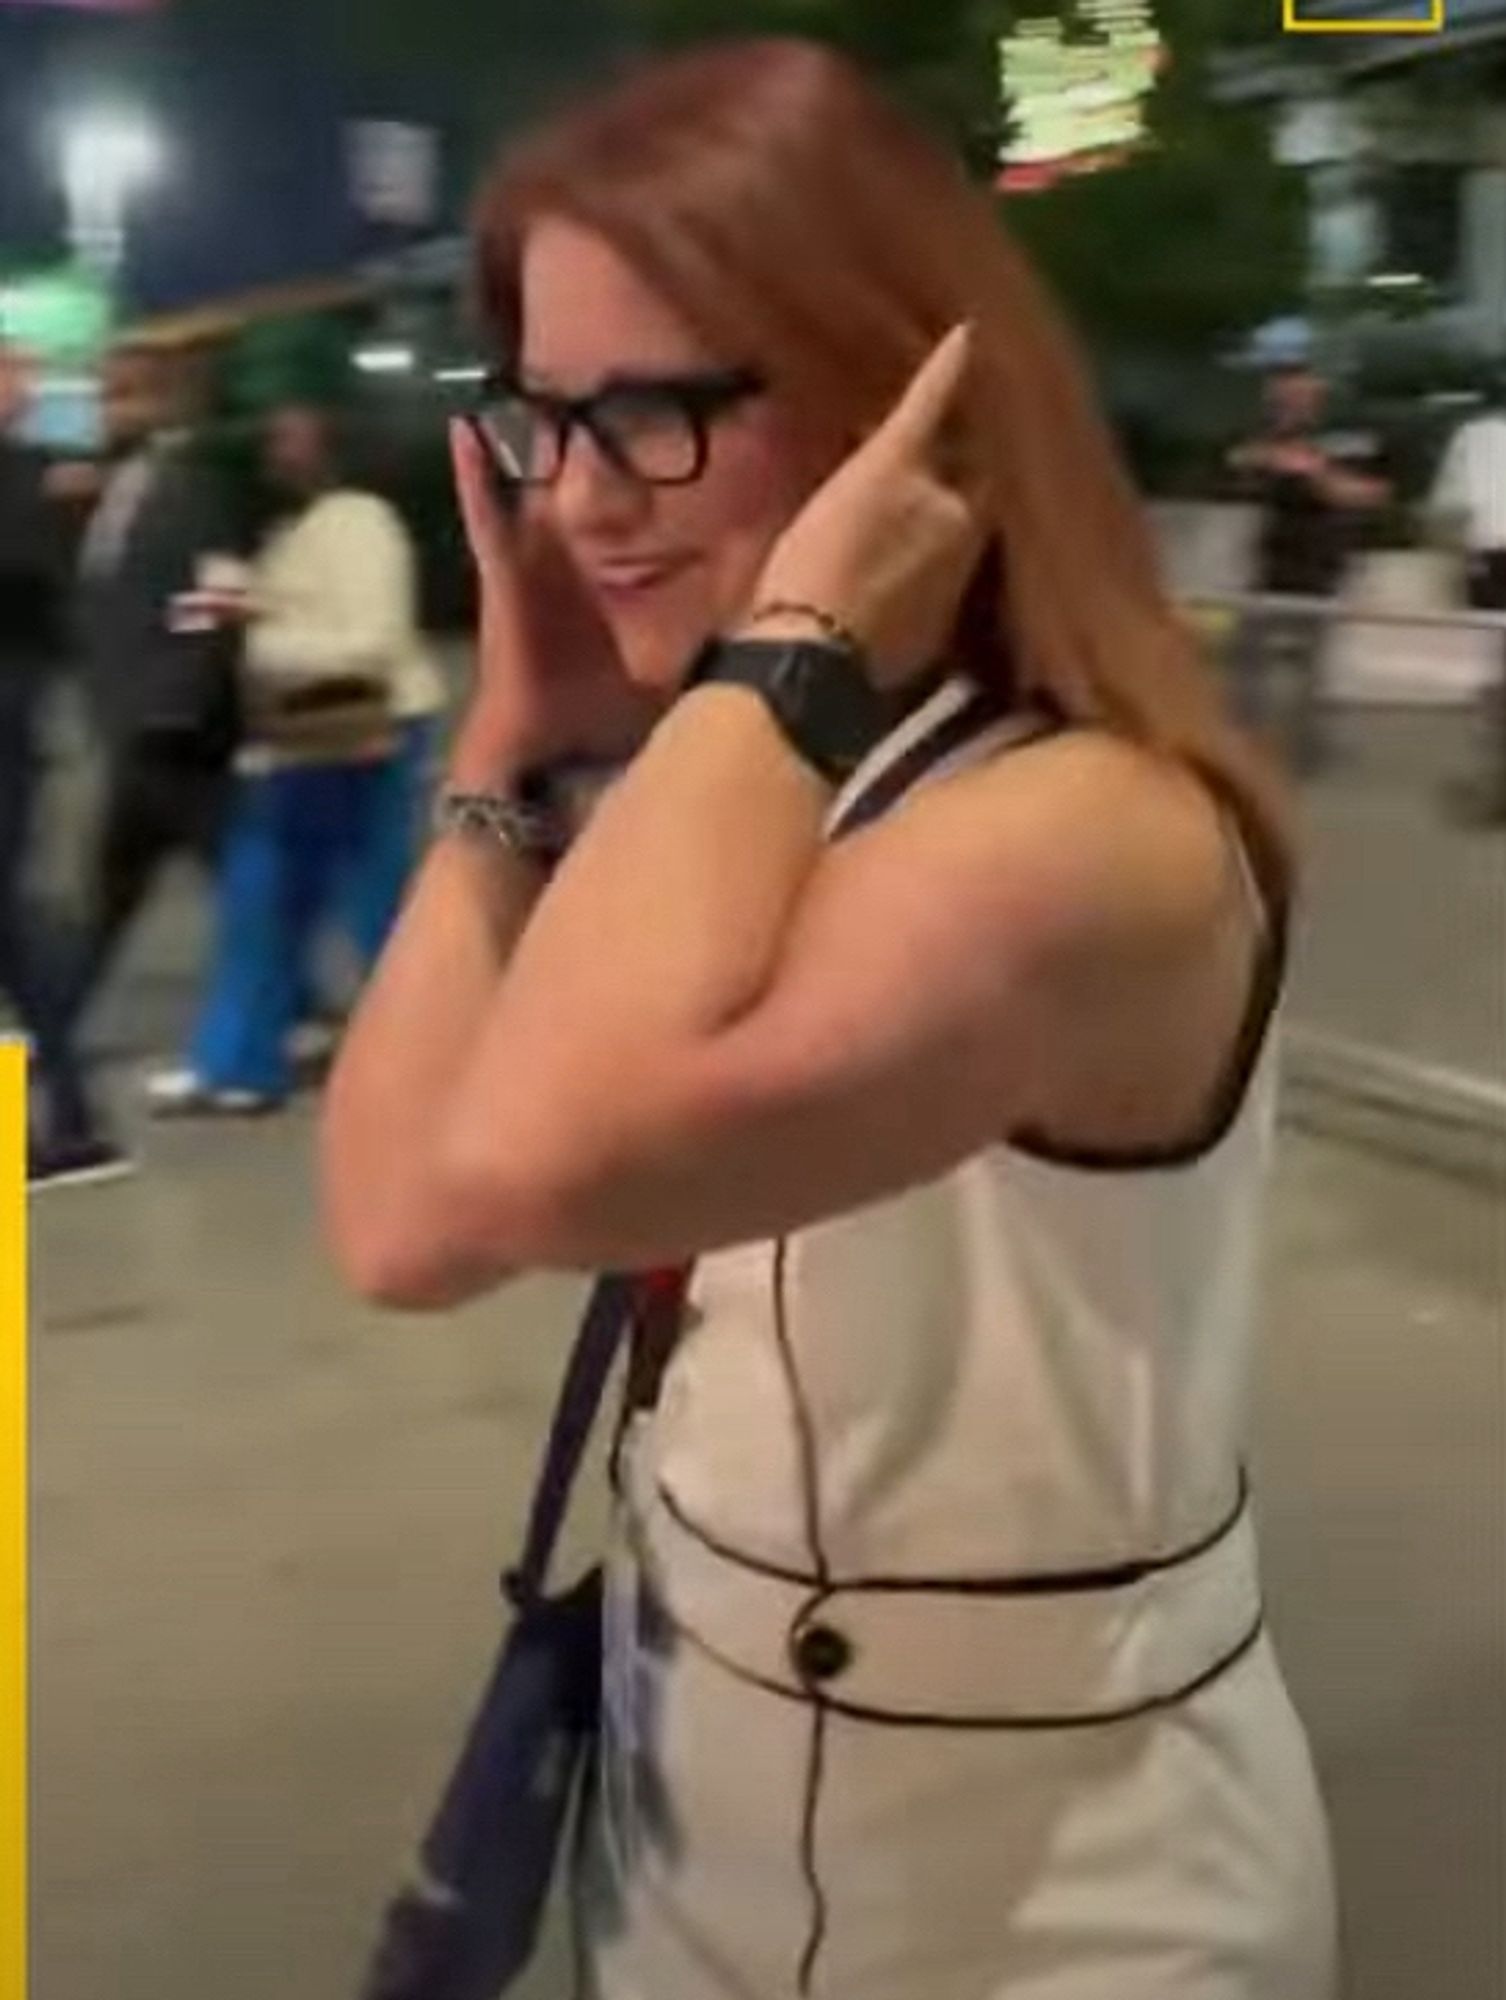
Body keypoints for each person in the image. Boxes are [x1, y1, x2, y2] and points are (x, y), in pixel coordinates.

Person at [323, 40, 1336, 2000]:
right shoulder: (750, 790)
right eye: (545, 425)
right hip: (691, 1853)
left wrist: (791, 640)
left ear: (906, 409)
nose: (589, 502)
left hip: (1042, 1924)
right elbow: (402, 1226)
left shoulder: (1093, 830)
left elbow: (532, 1160)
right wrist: (513, 745)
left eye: (665, 415)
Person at [147, 401, 444, 1113]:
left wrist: (260, 632)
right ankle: (241, 1064)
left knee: (367, 906)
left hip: (368, 731)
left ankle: (434, 1056)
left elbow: (370, 641)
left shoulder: (361, 522)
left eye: (291, 432)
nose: (274, 448)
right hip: (307, 739)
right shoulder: (292, 526)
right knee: (268, 898)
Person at [68, 344, 244, 1026]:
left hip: (178, 732)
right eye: (105, 395)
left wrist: (181, 694)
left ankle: (57, 1017)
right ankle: (60, 1014)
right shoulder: (116, 488)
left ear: (163, 403)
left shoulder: (189, 486)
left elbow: (214, 600)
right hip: (136, 730)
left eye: (123, 394)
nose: (108, 409)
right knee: (123, 887)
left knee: (219, 881)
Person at [0, 341, 127, 1187]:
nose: (30, 386)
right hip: (12, 702)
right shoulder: (34, 479)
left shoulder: (39, 476)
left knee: (15, 918)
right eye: (14, 373)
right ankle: (68, 1117)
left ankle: (66, 1118)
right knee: (15, 922)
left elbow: (47, 586)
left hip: (13, 704)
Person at [1228, 362, 1390, 772]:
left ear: (1318, 395)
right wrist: (1261, 458)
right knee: (1247, 663)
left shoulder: (1348, 439)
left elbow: (1370, 494)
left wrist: (1316, 474)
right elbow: (1236, 463)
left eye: (1297, 396)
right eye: (1279, 400)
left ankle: (1305, 752)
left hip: (1322, 570)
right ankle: (1241, 750)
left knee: (1311, 671)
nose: (1288, 405)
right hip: (1271, 567)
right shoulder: (1272, 439)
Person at [1430, 370, 1506, 819]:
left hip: (1491, 557)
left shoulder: (1474, 436)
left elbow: (1450, 508)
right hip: (1492, 557)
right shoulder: (1476, 438)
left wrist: (1453, 563)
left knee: (1496, 667)